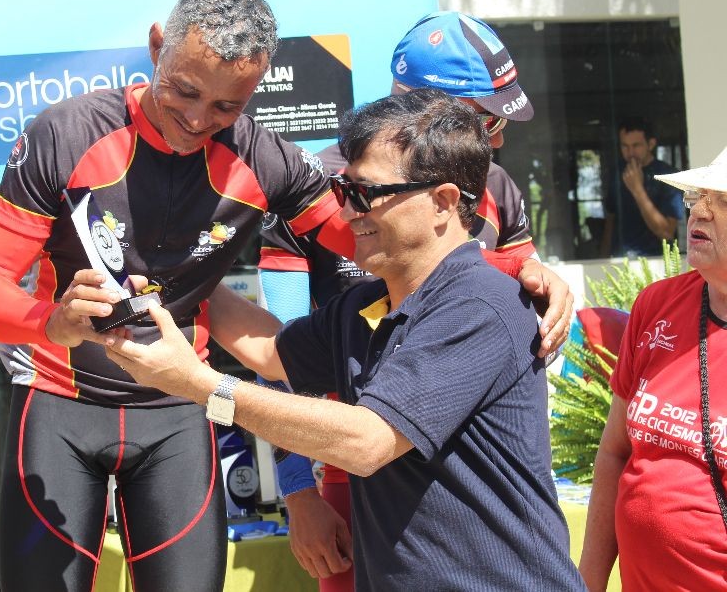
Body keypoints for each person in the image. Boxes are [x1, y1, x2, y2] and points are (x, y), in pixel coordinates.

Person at [0, 0, 573, 591]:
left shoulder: (265, 160)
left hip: (177, 410)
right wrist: (50, 322)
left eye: (227, 106)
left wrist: (519, 269)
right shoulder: (67, 134)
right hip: (61, 399)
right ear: (157, 47)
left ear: (258, 86)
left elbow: (396, 238)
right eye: (184, 90)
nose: (197, 119)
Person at [96, 88, 586, 591]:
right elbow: (270, 353)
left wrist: (202, 386)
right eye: (342, 190)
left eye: (365, 194)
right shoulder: (369, 303)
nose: (347, 212)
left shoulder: (477, 305)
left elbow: (368, 441)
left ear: (443, 202)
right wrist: (177, 271)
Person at [257, 9, 541, 588]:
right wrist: (298, 492)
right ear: (429, 105)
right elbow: (277, 353)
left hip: (469, 475)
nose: (498, 138)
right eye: (488, 119)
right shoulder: (323, 188)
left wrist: (543, 280)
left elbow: (518, 304)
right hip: (347, 463)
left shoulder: (498, 187)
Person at [579, 146, 727, 591]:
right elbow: (614, 453)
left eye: (721, 201)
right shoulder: (657, 305)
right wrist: (588, 582)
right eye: (695, 197)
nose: (699, 212)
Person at [599, 117, 683, 257]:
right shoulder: (618, 172)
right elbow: (611, 219)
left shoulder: (668, 175)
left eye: (636, 145)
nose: (630, 152)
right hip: (619, 258)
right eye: (624, 146)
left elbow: (667, 232)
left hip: (656, 259)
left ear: (651, 144)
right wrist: (603, 256)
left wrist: (637, 189)